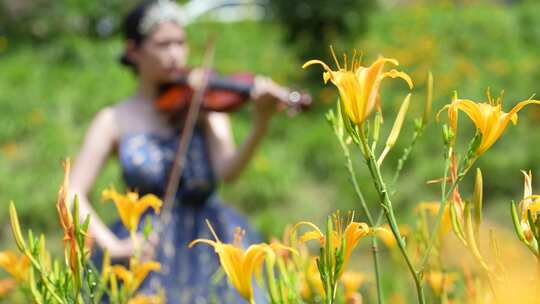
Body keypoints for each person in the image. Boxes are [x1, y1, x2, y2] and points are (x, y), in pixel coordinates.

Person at [68, 0, 290, 302]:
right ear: (134, 51)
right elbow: (73, 193)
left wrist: (260, 123)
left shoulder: (203, 106)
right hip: (143, 246)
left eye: (180, 43)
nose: (175, 54)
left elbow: (229, 170)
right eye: (162, 44)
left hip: (210, 239)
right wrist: (113, 247)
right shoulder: (113, 119)